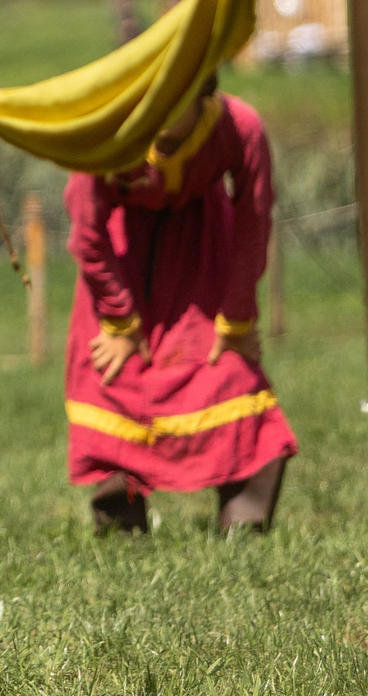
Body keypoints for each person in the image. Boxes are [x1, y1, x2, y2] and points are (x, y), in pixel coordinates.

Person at [65, 79, 296, 536]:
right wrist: (119, 319)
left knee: (228, 372)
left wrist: (236, 318)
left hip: (202, 249)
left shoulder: (239, 126)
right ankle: (119, 515)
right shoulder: (109, 130)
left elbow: (254, 220)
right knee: (111, 376)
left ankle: (244, 517)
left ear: (200, 95)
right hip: (120, 259)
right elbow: (86, 230)